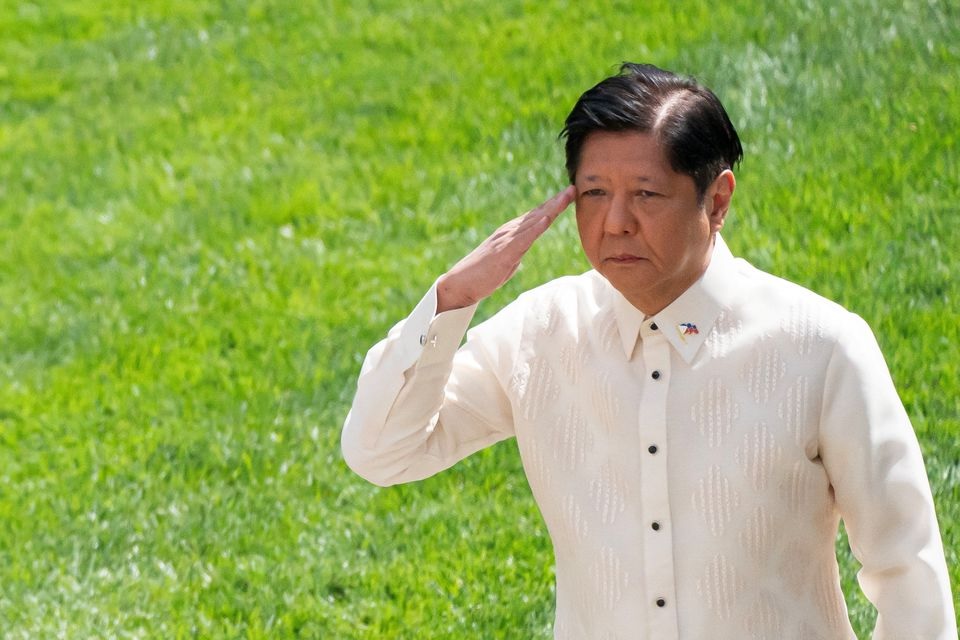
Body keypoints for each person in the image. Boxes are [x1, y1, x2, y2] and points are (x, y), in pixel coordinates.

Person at [341, 63, 956, 639]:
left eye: (646, 194)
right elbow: (382, 453)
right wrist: (452, 300)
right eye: (594, 194)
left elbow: (908, 571)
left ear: (716, 201)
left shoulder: (820, 348)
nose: (615, 223)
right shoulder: (540, 334)